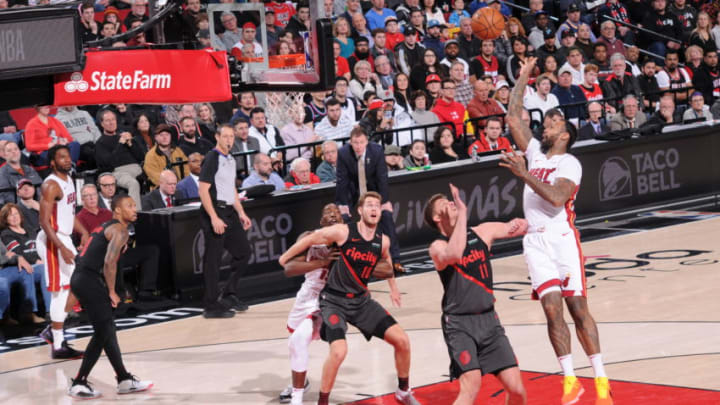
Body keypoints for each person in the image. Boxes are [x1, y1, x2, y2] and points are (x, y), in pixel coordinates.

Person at [504, 57, 613, 405]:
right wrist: (522, 75)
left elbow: (555, 198)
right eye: (547, 119)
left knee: (578, 309)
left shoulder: (570, 163)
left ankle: (599, 378)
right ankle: (570, 379)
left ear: (564, 135)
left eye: (553, 121)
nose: (546, 123)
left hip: (562, 238)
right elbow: (512, 116)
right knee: (551, 309)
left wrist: (524, 175)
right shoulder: (534, 152)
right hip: (534, 240)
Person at [278, 191, 419, 405]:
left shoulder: (382, 240)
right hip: (330, 300)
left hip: (360, 301)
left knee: (402, 341)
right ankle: (315, 396)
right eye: (369, 205)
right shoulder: (339, 233)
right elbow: (304, 248)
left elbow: (387, 264)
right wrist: (285, 257)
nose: (373, 209)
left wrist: (393, 288)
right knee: (329, 349)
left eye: (377, 206)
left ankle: (404, 391)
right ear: (359, 211)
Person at [425, 184, 528, 405]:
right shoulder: (437, 247)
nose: (451, 203)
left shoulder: (483, 232)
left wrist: (521, 224)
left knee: (517, 389)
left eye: (451, 201)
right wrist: (462, 214)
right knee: (471, 385)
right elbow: (455, 253)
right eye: (445, 204)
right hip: (459, 325)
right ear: (436, 217)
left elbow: (518, 227)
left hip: (490, 321)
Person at [66, 195, 152, 399]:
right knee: (103, 331)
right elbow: (109, 262)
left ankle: (123, 379)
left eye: (134, 205)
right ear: (118, 211)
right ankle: (79, 382)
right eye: (129, 206)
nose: (134, 209)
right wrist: (112, 291)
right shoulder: (120, 230)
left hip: (83, 278)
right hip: (89, 280)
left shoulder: (107, 226)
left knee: (107, 331)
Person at [277, 203, 345, 404]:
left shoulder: (346, 240)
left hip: (328, 299)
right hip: (306, 295)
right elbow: (290, 268)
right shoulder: (309, 236)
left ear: (342, 221)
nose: (332, 215)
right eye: (327, 212)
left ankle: (297, 397)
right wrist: (322, 262)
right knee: (295, 345)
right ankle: (301, 382)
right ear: (321, 220)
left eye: (337, 213)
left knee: (298, 341)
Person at [37, 145, 88, 359]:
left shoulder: (70, 181)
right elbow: (44, 222)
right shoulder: (51, 185)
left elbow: (69, 213)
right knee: (63, 289)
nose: (67, 160)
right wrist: (62, 248)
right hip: (52, 240)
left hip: (64, 237)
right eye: (61, 157)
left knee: (75, 286)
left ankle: (54, 331)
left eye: (68, 156)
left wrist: (83, 232)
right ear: (52, 162)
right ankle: (57, 342)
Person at [198, 125, 252, 318]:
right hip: (214, 211)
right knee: (213, 260)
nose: (229, 140)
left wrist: (241, 212)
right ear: (217, 137)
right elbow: (203, 190)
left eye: (232, 136)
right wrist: (214, 217)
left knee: (243, 252)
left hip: (229, 211)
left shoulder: (230, 159)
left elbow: (231, 189)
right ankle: (211, 305)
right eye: (226, 136)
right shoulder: (212, 158)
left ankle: (229, 294)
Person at [335, 127, 405, 273]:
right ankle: (353, 262)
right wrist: (343, 204)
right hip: (354, 193)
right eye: (355, 143)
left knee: (386, 216)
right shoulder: (343, 153)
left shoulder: (377, 150)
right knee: (345, 219)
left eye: (361, 142)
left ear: (366, 141)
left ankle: (395, 260)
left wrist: (383, 201)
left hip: (373, 192)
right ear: (350, 142)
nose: (358, 146)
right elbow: (342, 181)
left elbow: (382, 178)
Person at [0, 203, 49, 325]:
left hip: (30, 264)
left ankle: (50, 310)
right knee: (33, 270)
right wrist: (31, 259)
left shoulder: (30, 230)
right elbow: (16, 254)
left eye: (16, 214)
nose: (15, 217)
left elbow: (12, 254)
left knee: (46, 268)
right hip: (13, 267)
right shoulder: (6, 234)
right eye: (11, 216)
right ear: (5, 219)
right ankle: (27, 313)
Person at [95, 109, 145, 208]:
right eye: (108, 120)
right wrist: (120, 144)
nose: (111, 122)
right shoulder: (100, 143)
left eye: (113, 119)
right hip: (118, 172)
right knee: (133, 184)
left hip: (137, 169)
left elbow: (141, 157)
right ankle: (135, 215)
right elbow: (108, 163)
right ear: (102, 124)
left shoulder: (124, 136)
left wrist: (131, 143)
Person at [143, 124, 189, 188]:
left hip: (182, 186)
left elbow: (187, 170)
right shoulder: (150, 155)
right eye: (161, 135)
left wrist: (186, 184)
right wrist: (172, 184)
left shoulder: (177, 151)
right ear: (156, 137)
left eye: (167, 135)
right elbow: (155, 177)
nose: (165, 137)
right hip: (163, 188)